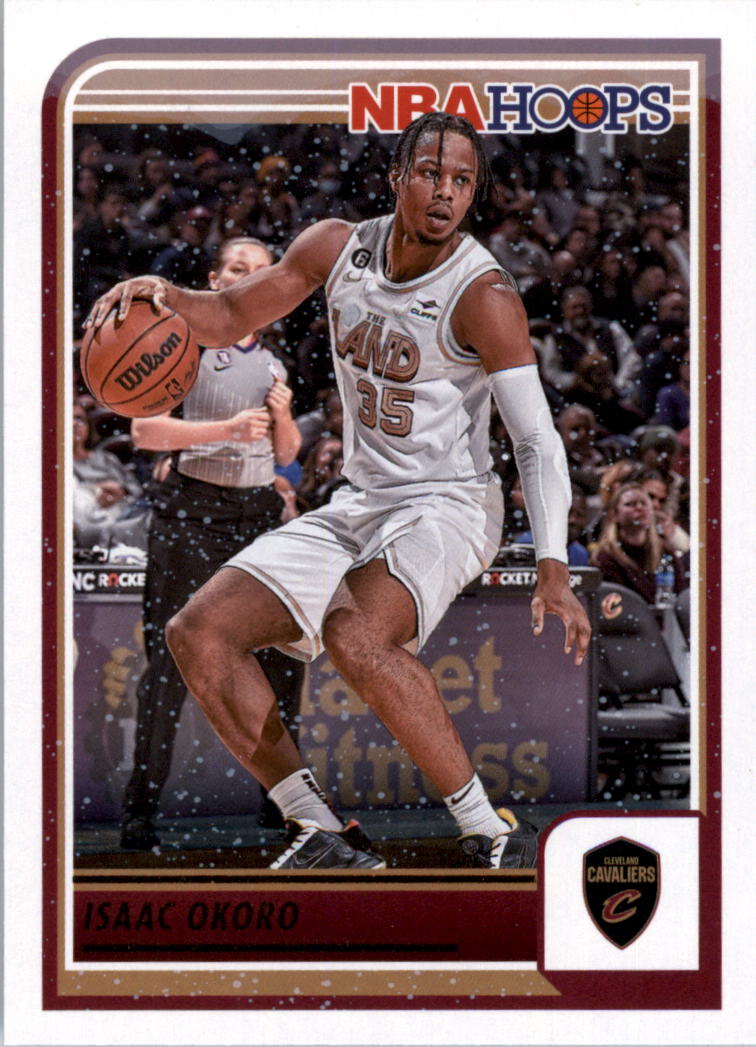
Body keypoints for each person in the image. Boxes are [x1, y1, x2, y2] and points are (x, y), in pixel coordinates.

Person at [87, 112, 591, 871]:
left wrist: (553, 562)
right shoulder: (335, 246)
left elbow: (537, 440)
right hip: (360, 498)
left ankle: (489, 829)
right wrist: (163, 295)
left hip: (449, 502)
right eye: (431, 174)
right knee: (198, 632)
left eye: (462, 181)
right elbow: (227, 314)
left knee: (356, 632)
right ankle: (321, 829)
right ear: (397, 178)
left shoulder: (483, 292)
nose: (445, 192)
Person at [119, 236, 305, 849]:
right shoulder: (177, 346)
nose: (250, 278)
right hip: (190, 516)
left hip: (255, 518)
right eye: (238, 268)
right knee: (170, 668)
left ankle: (285, 810)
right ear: (215, 280)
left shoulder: (274, 363)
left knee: (281, 662)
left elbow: (286, 456)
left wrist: (282, 417)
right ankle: (140, 816)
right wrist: (224, 428)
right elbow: (144, 431)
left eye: (262, 271)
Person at [591, 482, 686, 604]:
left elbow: (681, 597)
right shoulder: (605, 557)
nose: (639, 508)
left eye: (644, 503)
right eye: (630, 504)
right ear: (615, 515)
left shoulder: (666, 552)